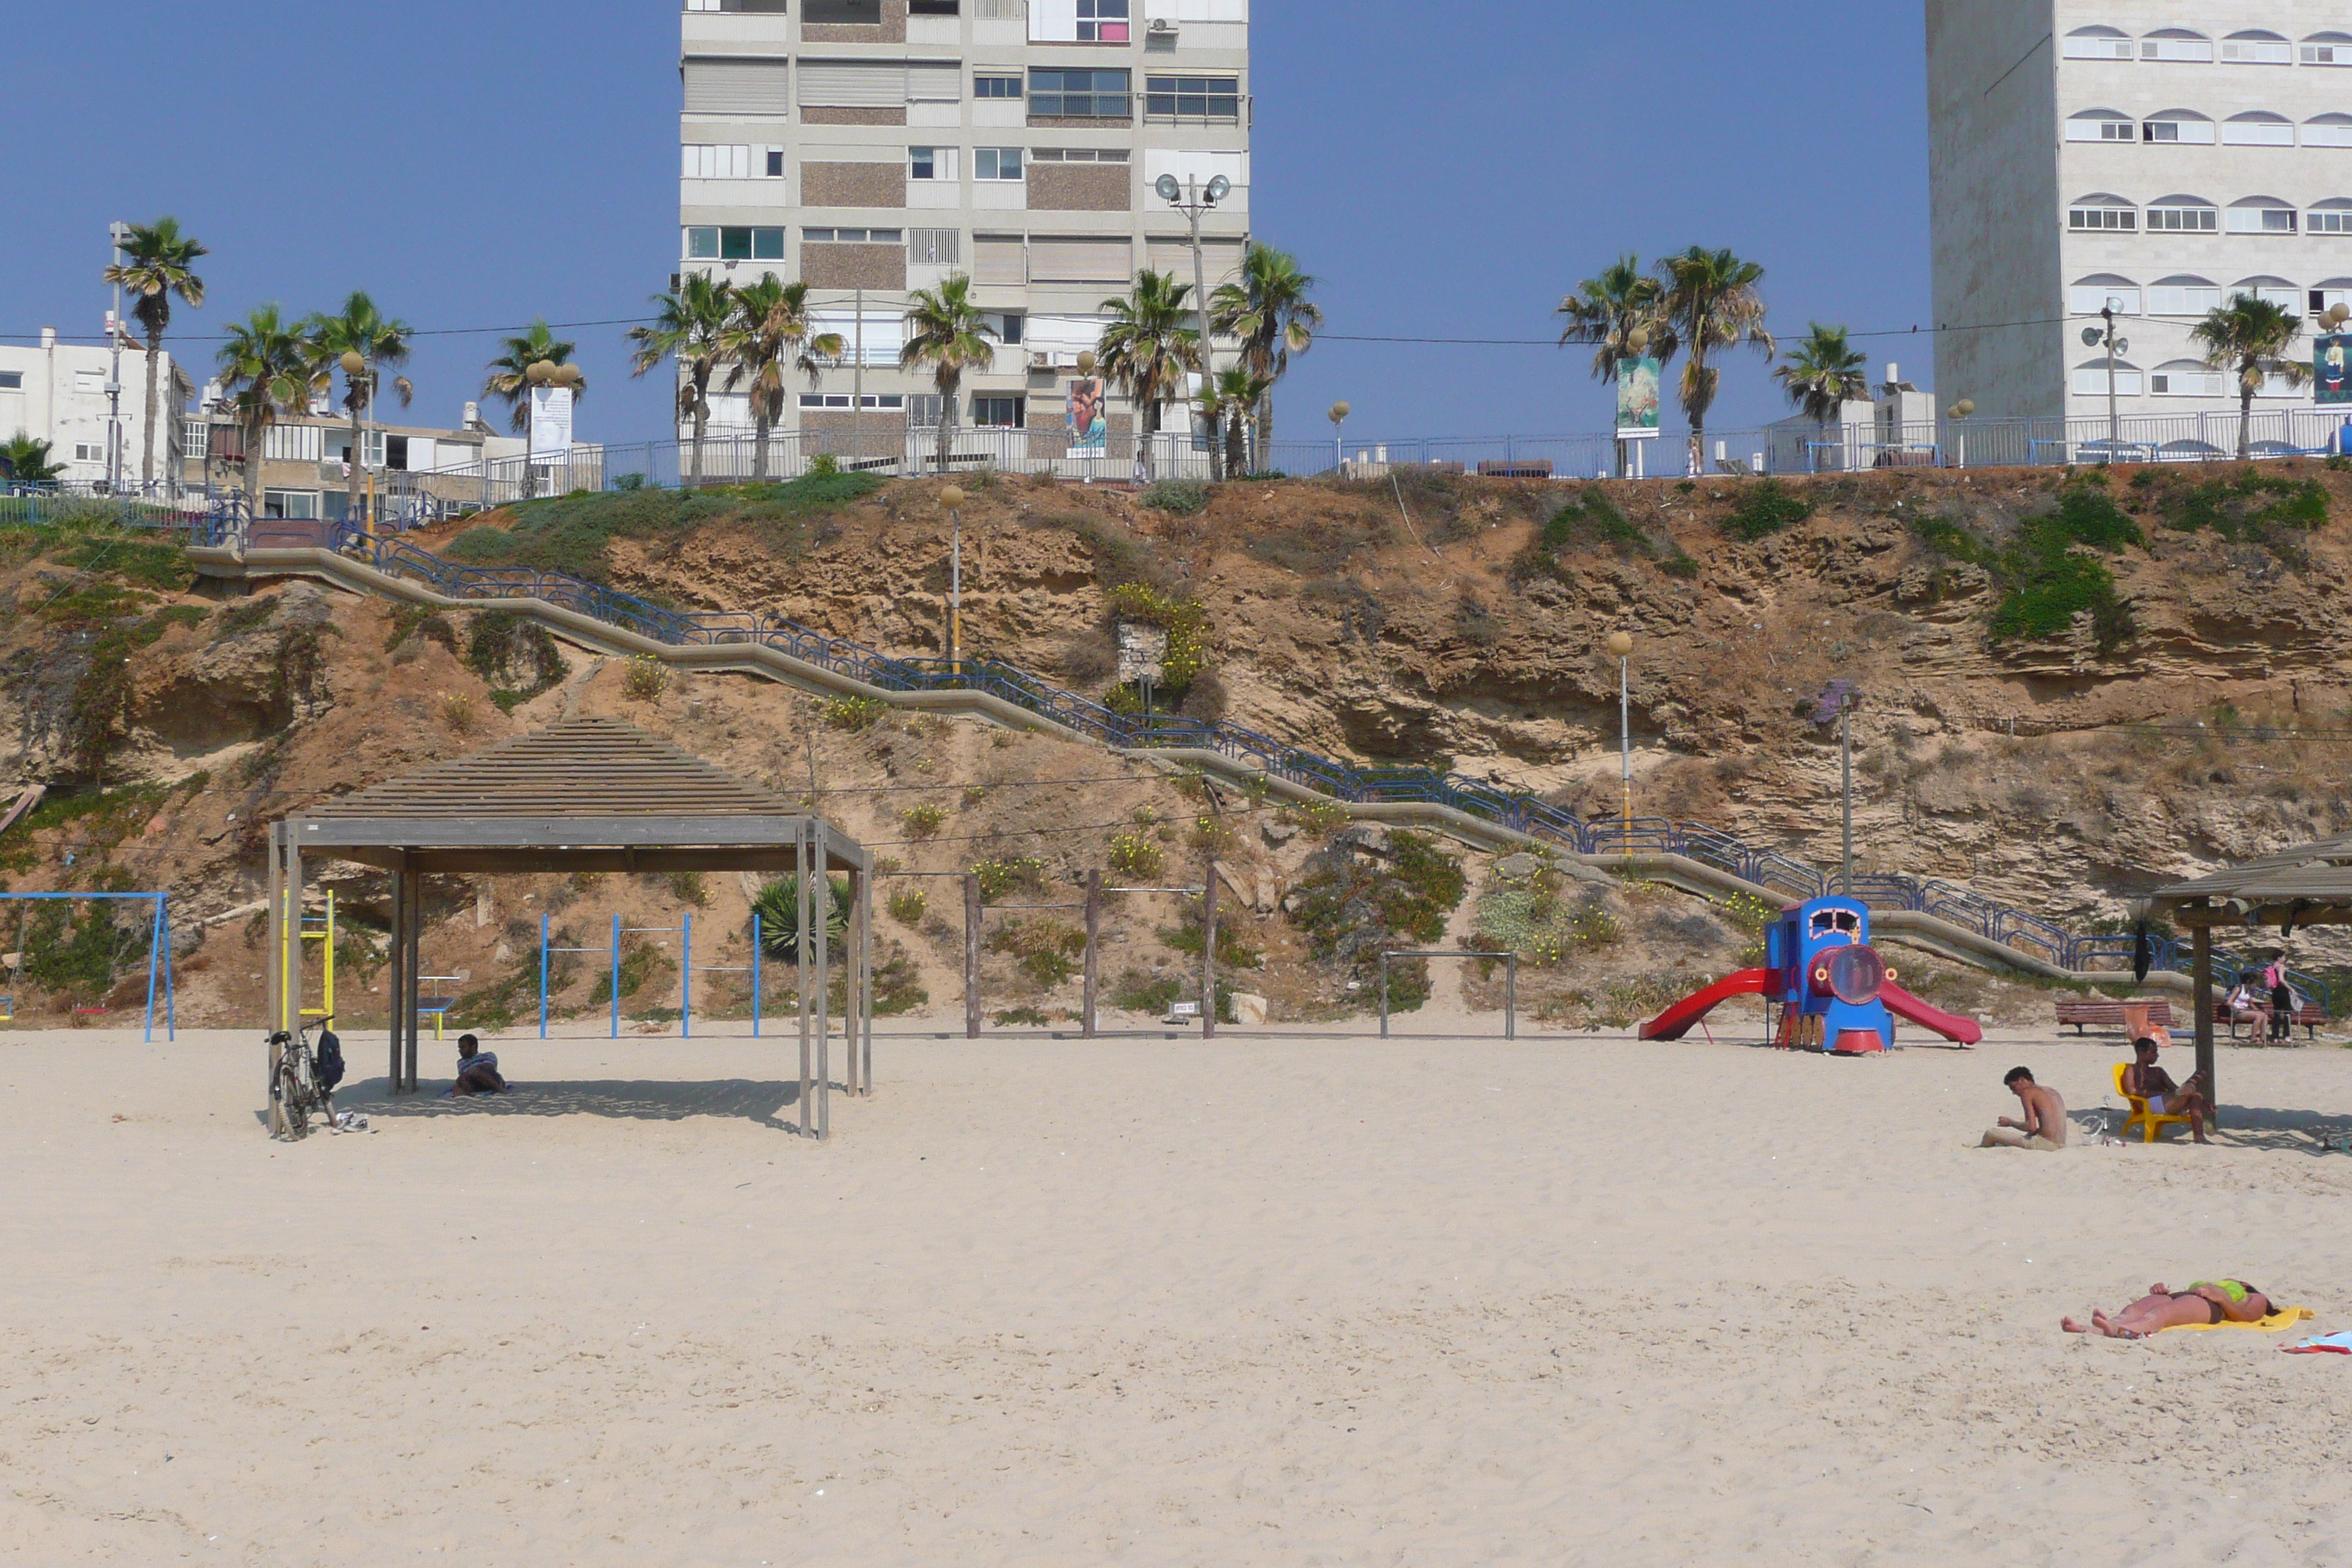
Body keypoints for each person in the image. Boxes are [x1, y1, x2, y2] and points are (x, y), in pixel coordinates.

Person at [2065, 1280, 2273, 1338]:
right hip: (2180, 1296)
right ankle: (2100, 1327)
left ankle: (2130, 1331)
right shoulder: (2214, 1283)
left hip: (2211, 1307)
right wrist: (2161, 1291)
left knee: (2163, 1315)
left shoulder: (2255, 1297)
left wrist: (2222, 1299)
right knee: (2135, 1308)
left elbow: (2247, 1317)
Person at [2123, 1035, 2210, 1143]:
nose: (2157, 1055)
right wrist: (2161, 1094)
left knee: (2197, 1096)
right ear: (2142, 1053)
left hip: (2167, 1101)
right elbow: (2131, 1091)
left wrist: (2204, 1102)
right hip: (2149, 1104)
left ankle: (2199, 1137)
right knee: (2187, 1090)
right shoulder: (2131, 1069)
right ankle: (2192, 1082)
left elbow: (2174, 1088)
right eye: (2154, 1052)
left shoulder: (2158, 1071)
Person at [1981, 1066, 2068, 1150]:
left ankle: (1983, 1152)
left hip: (2045, 1145)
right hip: (2061, 1143)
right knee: (2029, 1135)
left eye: (2013, 1088)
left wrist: (2010, 1123)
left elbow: (2031, 1127)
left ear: (2022, 1080)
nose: (2014, 1093)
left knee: (1990, 1134)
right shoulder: (2051, 1091)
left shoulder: (2027, 1093)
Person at [447, 1033, 508, 1097]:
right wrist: (469, 1073)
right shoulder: (461, 1062)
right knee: (460, 1080)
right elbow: (463, 1075)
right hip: (473, 1082)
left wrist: (474, 1070)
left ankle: (500, 1090)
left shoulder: (487, 1055)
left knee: (476, 1071)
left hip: (490, 1078)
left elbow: (489, 1067)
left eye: (463, 1047)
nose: (460, 1051)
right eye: (460, 1048)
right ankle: (464, 1096)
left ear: (473, 1047)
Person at [2263, 957, 2296, 1044]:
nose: (2285, 959)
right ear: (2279, 957)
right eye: (2284, 957)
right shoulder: (2280, 967)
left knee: (2277, 1013)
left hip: (2275, 992)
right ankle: (2287, 1035)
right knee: (2287, 1013)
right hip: (2283, 991)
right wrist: (2291, 989)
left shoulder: (2271, 966)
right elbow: (2281, 980)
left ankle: (2275, 1036)